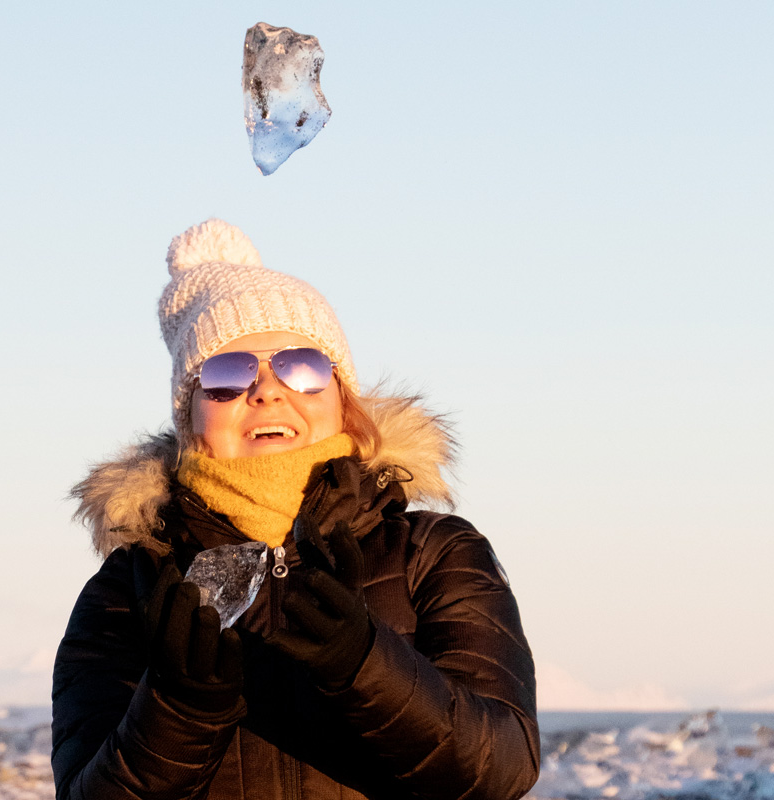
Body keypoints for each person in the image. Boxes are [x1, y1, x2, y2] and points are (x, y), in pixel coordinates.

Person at [51, 219, 539, 800]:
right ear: (190, 417)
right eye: (225, 375)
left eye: (301, 365)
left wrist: (365, 665)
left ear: (342, 396)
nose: (266, 390)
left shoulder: (433, 554)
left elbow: (501, 769)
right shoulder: (129, 588)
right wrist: (181, 710)